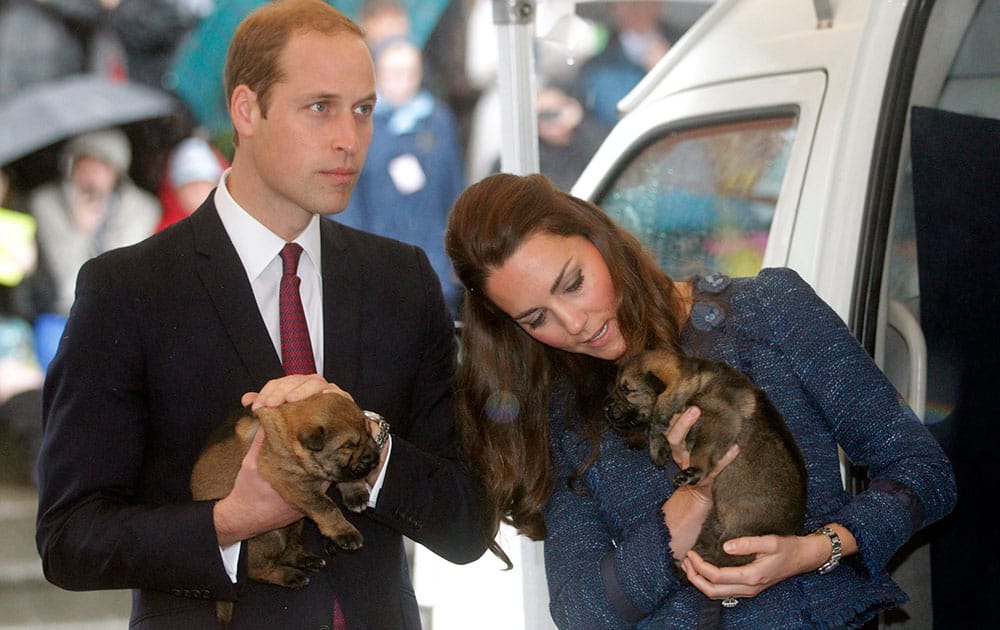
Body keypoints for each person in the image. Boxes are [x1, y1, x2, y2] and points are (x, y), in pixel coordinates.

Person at [34, 1, 489, 628]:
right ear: (247, 109)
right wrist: (229, 521)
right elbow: (69, 538)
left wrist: (373, 456)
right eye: (320, 107)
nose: (348, 138)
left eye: (363, 110)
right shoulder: (128, 289)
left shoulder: (400, 279)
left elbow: (468, 522)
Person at [443, 173, 956, 628]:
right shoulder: (563, 417)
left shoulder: (768, 313)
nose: (574, 323)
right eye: (537, 319)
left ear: (598, 238)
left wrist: (814, 550)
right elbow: (582, 613)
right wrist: (688, 506)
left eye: (573, 284)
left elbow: (923, 471)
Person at [335, 34, 466, 319]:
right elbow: (347, 200)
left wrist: (459, 254)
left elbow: (454, 188)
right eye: (394, 72)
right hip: (378, 260)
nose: (403, 80)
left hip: (434, 260)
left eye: (410, 72)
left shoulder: (436, 118)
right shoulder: (357, 123)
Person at [27, 126, 161, 369]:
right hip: (62, 315)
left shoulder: (141, 209)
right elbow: (67, 283)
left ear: (116, 172)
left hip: (119, 317)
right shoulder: (46, 203)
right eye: (84, 165)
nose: (91, 175)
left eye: (101, 167)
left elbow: (122, 276)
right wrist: (80, 231)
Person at [156, 134, 227, 231]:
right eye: (189, 184)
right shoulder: (165, 234)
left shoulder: (236, 220)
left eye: (203, 182)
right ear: (175, 191)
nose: (197, 190)